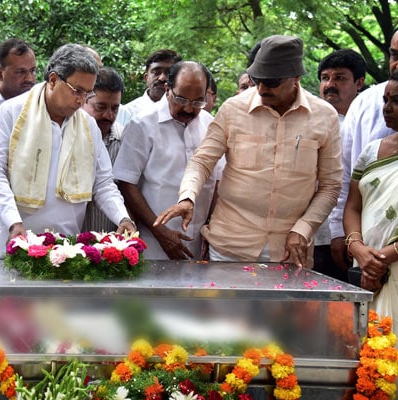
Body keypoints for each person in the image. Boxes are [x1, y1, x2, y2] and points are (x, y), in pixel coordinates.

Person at [154, 35, 342, 268]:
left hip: (290, 251)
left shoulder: (324, 116)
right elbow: (201, 161)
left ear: (295, 77)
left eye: (271, 82)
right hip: (229, 248)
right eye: (257, 79)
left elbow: (331, 185)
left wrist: (303, 229)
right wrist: (188, 197)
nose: (262, 88)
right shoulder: (234, 109)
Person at [0, 43, 135, 258]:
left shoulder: (87, 125)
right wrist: (13, 222)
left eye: (87, 94)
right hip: (8, 241)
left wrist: (122, 218)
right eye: (76, 91)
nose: (81, 100)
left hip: (64, 250)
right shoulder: (11, 113)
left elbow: (103, 183)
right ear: (52, 80)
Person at [114, 61, 219, 260]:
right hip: (153, 243)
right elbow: (127, 183)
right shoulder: (142, 124)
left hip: (200, 243)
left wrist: (211, 229)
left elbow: (217, 181)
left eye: (197, 102)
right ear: (167, 89)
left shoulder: (210, 125)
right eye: (181, 99)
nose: (188, 109)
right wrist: (160, 232)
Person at [330, 30, 398, 274]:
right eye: (394, 55)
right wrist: (345, 237)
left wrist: (384, 257)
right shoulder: (365, 102)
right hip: (364, 252)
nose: (388, 108)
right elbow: (345, 175)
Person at [343, 71, 398, 331]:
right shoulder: (372, 151)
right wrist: (358, 249)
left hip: (388, 265)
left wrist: (382, 258)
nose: (388, 108)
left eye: (397, 101)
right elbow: (353, 206)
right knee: (369, 356)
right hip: (366, 268)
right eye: (386, 100)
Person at [313, 48, 366, 280]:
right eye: (325, 78)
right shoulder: (308, 121)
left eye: (340, 78)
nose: (330, 84)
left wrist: (343, 234)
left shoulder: (367, 123)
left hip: (357, 235)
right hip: (314, 235)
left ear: (359, 83)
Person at [81, 67, 125, 233]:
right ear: (83, 100)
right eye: (100, 107)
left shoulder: (124, 140)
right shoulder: (66, 136)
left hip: (110, 241)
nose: (109, 115)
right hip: (68, 243)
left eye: (115, 108)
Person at [119, 49, 181, 124]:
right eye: (156, 73)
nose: (162, 78)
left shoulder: (184, 113)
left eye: (169, 73)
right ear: (146, 77)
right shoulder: (129, 112)